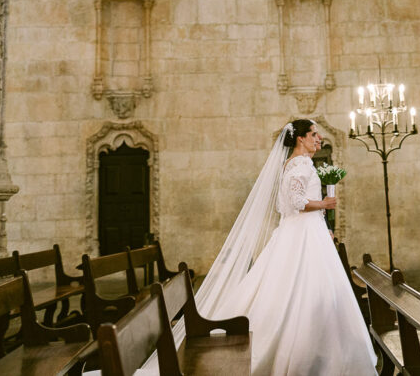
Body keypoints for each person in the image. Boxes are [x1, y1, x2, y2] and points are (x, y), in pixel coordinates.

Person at [146, 119, 376, 375]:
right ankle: (312, 356)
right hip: (302, 236)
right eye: (313, 135)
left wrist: (323, 224)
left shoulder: (295, 163)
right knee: (304, 289)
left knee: (300, 289)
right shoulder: (300, 163)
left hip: (304, 232)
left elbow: (286, 206)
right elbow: (296, 202)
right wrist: (324, 205)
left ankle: (313, 354)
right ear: (300, 138)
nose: (318, 139)